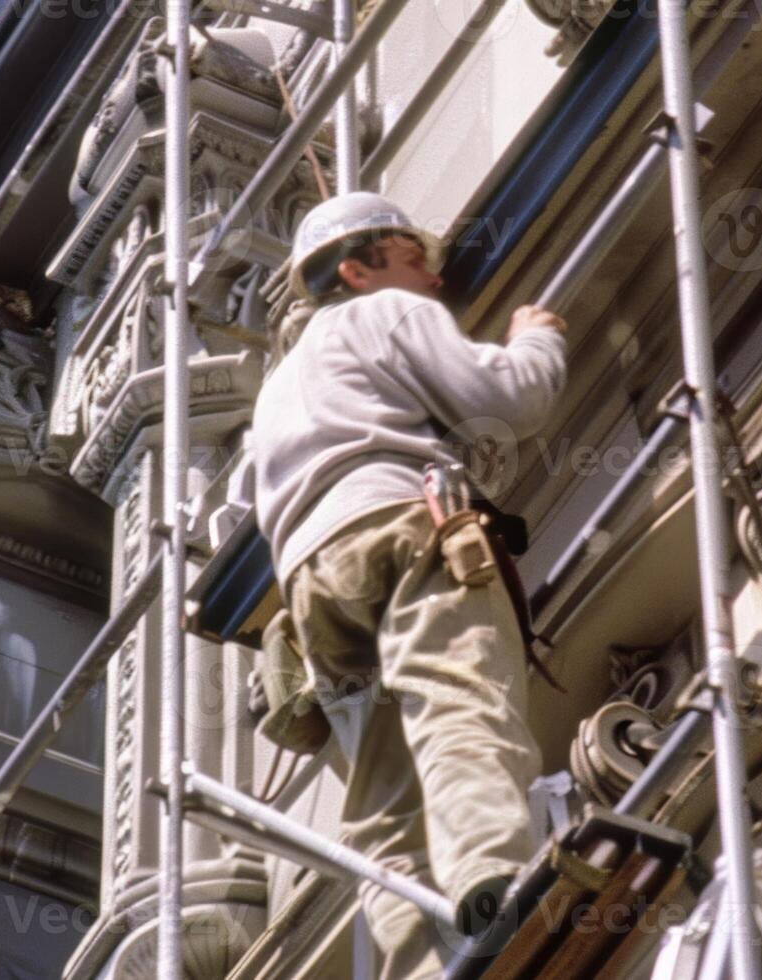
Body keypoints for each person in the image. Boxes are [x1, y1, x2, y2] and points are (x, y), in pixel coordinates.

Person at [251, 191, 568, 978]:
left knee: (381, 794)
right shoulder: (385, 313)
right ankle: (493, 878)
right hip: (398, 523)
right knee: (457, 695)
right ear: (357, 269)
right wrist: (536, 342)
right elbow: (507, 401)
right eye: (413, 258)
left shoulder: (279, 388)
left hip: (311, 579)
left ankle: (420, 966)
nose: (433, 279)